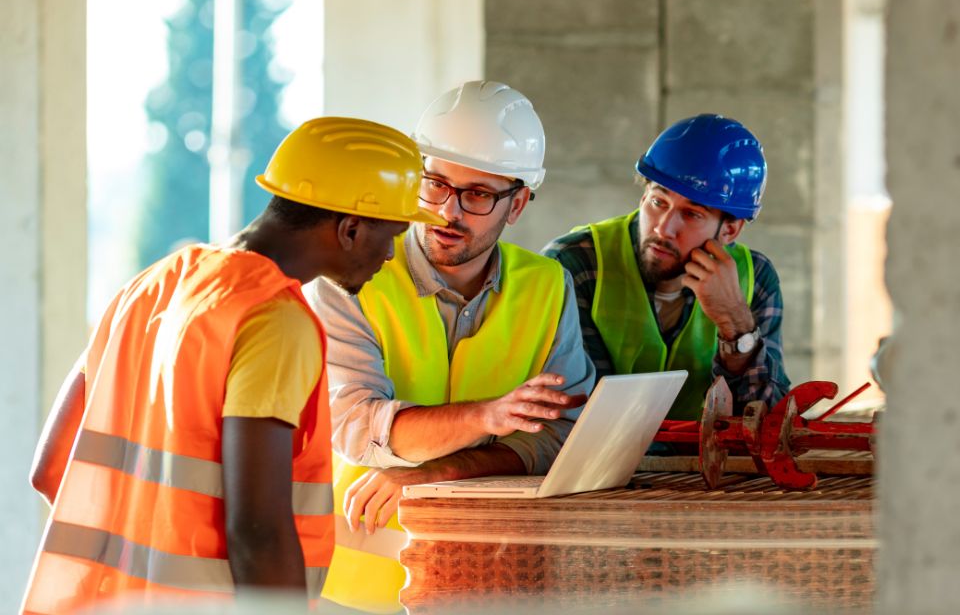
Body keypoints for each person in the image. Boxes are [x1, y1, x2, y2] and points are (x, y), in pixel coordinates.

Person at [21, 117, 442, 614]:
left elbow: (51, 470)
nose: (390, 255)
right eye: (390, 235)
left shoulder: (152, 285)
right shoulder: (273, 318)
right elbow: (258, 534)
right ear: (350, 228)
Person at [306, 81, 595, 613]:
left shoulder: (547, 286)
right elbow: (354, 428)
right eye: (434, 183)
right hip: (352, 585)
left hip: (491, 580)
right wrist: (489, 418)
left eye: (478, 194)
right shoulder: (348, 277)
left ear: (519, 203)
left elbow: (562, 440)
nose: (447, 210)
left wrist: (439, 472)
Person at [544, 113, 791, 422]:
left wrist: (736, 324)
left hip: (709, 469)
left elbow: (770, 422)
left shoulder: (756, 279)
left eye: (691, 214)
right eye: (658, 203)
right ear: (644, 194)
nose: (663, 229)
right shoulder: (575, 264)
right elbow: (579, 411)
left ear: (729, 231)